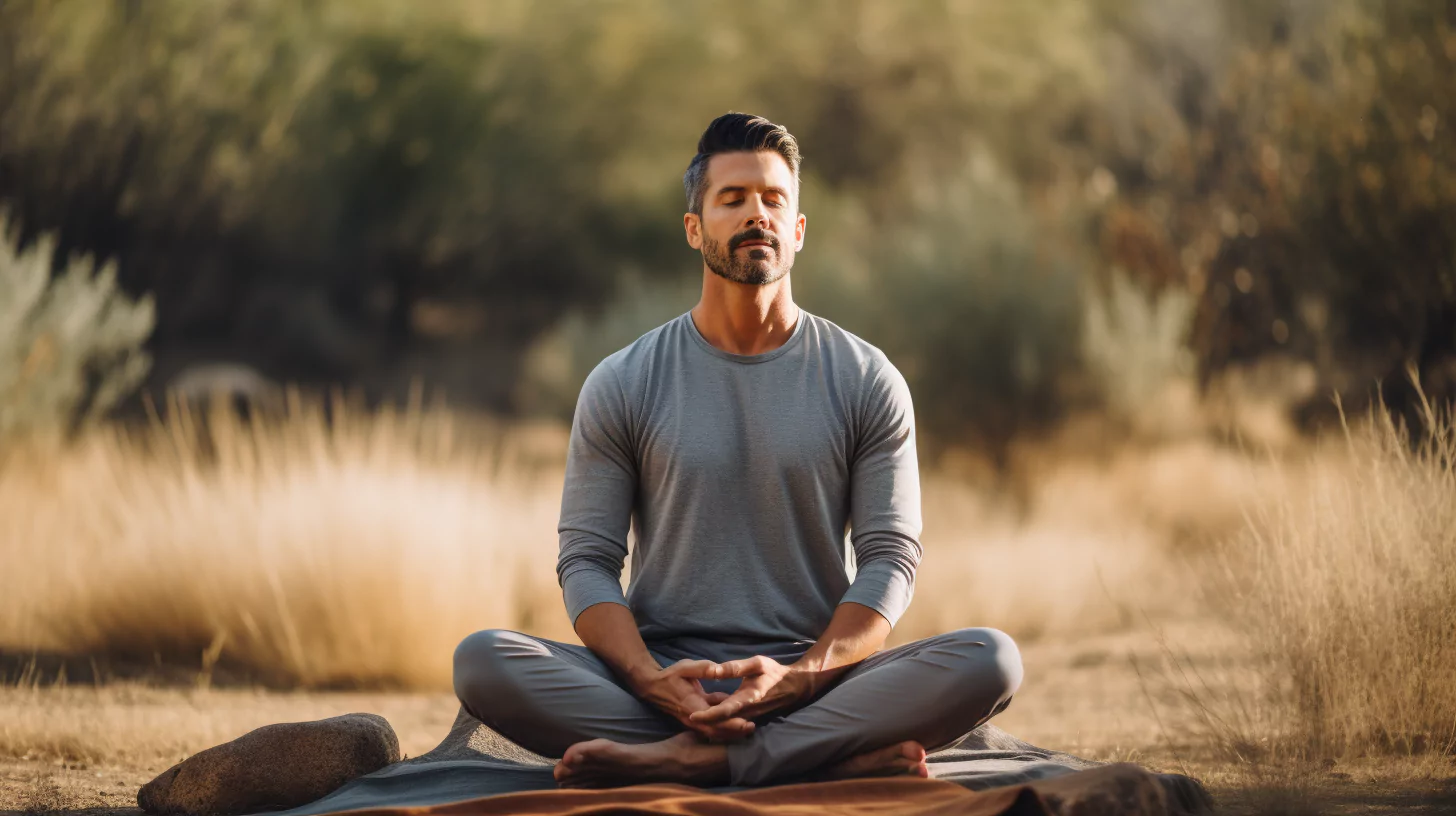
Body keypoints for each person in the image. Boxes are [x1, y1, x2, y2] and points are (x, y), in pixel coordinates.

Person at [452, 112, 1022, 789]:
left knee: (991, 659)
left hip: (816, 679)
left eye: (775, 199)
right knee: (483, 661)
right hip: (658, 687)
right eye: (734, 199)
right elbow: (587, 561)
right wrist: (654, 682)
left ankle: (693, 762)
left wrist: (800, 679)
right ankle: (819, 757)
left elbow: (891, 557)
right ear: (695, 228)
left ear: (799, 230)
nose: (759, 214)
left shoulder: (867, 379)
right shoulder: (623, 380)